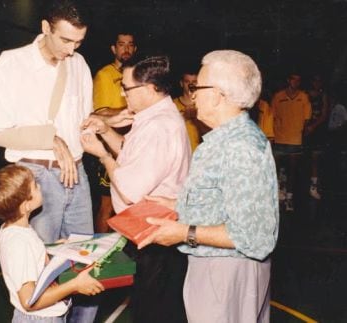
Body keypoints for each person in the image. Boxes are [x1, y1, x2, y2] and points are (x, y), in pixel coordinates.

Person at [0, 1, 97, 321]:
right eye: (66, 40)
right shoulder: (11, 64)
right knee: (40, 278)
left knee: (86, 264)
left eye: (79, 42)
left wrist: (105, 123)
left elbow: (82, 122)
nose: (72, 50)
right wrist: (50, 138)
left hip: (77, 173)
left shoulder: (79, 64)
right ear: (45, 28)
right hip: (35, 177)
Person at [138, 50, 279, 323]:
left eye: (196, 88)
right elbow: (224, 203)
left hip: (226, 274)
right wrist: (175, 205)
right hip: (220, 269)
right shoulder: (224, 140)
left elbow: (253, 236)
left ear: (217, 95)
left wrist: (183, 233)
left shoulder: (239, 147)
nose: (192, 95)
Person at [81, 55, 190, 323]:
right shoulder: (152, 116)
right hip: (150, 232)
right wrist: (106, 131)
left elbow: (130, 187)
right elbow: (130, 155)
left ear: (150, 88)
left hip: (156, 236)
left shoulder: (159, 127)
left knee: (153, 312)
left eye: (127, 88)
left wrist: (103, 156)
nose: (121, 92)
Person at [0, 165, 104, 323]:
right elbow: (29, 302)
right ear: (25, 205)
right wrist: (74, 285)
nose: (40, 186)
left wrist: (49, 249)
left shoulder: (12, 229)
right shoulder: (19, 242)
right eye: (34, 186)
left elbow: (28, 258)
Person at [91, 30, 137, 233]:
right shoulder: (104, 75)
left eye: (130, 44)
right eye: (121, 44)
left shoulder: (137, 75)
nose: (126, 49)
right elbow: (99, 112)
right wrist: (131, 110)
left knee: (129, 204)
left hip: (132, 146)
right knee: (107, 205)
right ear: (113, 48)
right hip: (109, 148)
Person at [271, 72, 312, 211]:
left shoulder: (303, 97)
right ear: (288, 80)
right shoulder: (278, 96)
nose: (296, 82)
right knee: (275, 170)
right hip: (279, 139)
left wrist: (304, 131)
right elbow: (273, 116)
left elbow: (307, 118)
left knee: (292, 171)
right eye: (294, 79)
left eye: (299, 80)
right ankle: (277, 195)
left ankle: (289, 197)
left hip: (295, 140)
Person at [305, 75, 330, 200]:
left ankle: (313, 186)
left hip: (317, 130)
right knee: (301, 158)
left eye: (319, 81)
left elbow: (324, 114)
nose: (317, 83)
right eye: (315, 80)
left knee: (316, 158)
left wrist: (313, 126)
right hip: (304, 130)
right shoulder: (305, 94)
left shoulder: (323, 95)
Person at [173, 68, 201, 151]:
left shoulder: (203, 104)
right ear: (181, 83)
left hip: (200, 154)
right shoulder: (172, 105)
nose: (190, 85)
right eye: (187, 81)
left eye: (194, 82)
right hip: (180, 153)